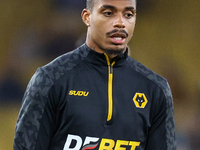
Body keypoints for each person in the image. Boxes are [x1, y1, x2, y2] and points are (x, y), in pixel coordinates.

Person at [13, 0, 176, 149]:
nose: (120, 23)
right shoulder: (50, 78)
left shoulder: (156, 89)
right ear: (87, 17)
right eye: (108, 13)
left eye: (128, 14)